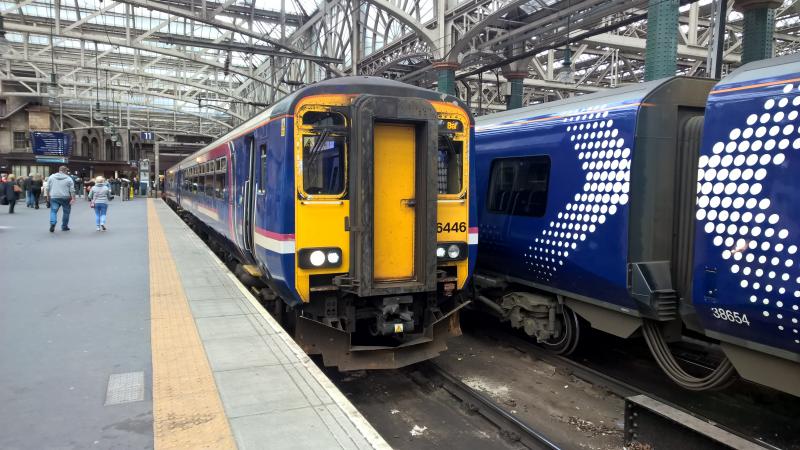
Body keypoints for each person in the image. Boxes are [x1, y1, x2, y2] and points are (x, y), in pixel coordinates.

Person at [46, 166, 76, 232]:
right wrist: (73, 198)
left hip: (54, 196)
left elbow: (47, 188)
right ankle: (64, 226)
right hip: (66, 197)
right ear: (65, 171)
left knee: (53, 211)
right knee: (66, 212)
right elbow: (72, 190)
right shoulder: (69, 179)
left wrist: (48, 196)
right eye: (67, 171)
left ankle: (53, 223)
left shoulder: (51, 177)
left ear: (59, 170)